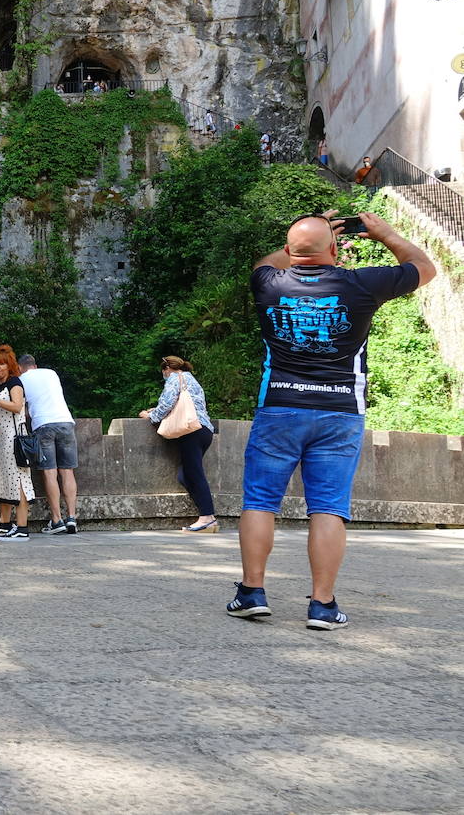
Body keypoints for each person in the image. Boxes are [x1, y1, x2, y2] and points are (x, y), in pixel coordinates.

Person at [227, 211, 434, 630]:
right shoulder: (361, 284)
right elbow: (424, 268)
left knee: (260, 501)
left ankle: (252, 592)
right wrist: (384, 232)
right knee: (328, 508)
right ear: (336, 250)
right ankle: (322, 605)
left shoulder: (268, 283)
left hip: (280, 407)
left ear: (288, 252)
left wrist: (302, 238)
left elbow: (264, 264)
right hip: (340, 411)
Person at [139, 356, 216, 532]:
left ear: (167, 369)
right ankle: (207, 516)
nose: (164, 375)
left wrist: (151, 415)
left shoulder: (175, 378)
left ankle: (207, 517)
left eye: (163, 372)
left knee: (195, 474)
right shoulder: (192, 380)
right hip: (204, 431)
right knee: (185, 475)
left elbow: (167, 403)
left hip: (191, 431)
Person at [17, 355, 79, 535]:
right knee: (67, 471)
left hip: (44, 425)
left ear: (20, 367)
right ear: (35, 365)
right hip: (66, 422)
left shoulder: (21, 380)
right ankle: (72, 518)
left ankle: (57, 519)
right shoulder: (52, 373)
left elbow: (22, 409)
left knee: (50, 472)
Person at [0, 344, 33, 540]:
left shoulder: (14, 382)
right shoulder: (3, 385)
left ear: (9, 365)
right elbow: (4, 414)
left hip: (16, 441)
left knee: (19, 481)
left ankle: (22, 527)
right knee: (3, 480)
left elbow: (17, 407)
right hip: (6, 441)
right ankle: (4, 523)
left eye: (2, 364)